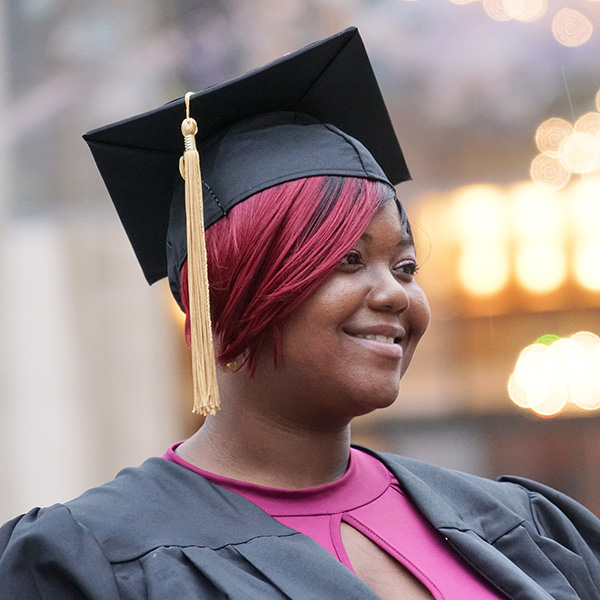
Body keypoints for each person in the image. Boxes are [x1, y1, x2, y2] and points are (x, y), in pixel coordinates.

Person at [1, 27, 599, 600]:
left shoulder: (525, 525)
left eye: (406, 266)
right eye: (347, 259)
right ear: (226, 292)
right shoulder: (89, 564)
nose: (394, 293)